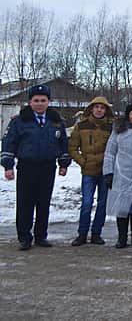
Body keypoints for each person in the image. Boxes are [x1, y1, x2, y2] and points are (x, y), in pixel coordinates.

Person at [2, 84, 71, 250]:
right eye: (36, 100)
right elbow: (9, 144)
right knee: (25, 203)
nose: (40, 103)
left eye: (43, 100)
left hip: (47, 167)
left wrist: (63, 164)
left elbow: (63, 144)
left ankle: (41, 236)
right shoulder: (19, 121)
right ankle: (24, 237)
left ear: (48, 102)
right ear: (30, 102)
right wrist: (8, 166)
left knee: (43, 203)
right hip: (27, 166)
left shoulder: (56, 121)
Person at [103, 102, 132, 248]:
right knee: (123, 208)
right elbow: (110, 153)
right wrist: (108, 172)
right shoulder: (119, 131)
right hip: (121, 174)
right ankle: (122, 238)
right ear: (128, 116)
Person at [68, 96, 115, 246]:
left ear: (106, 110)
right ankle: (82, 233)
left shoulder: (112, 127)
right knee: (87, 203)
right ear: (92, 109)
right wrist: (83, 162)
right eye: (96, 107)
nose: (99, 110)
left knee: (102, 203)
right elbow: (72, 148)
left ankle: (96, 233)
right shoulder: (81, 126)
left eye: (102, 107)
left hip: (105, 170)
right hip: (88, 170)